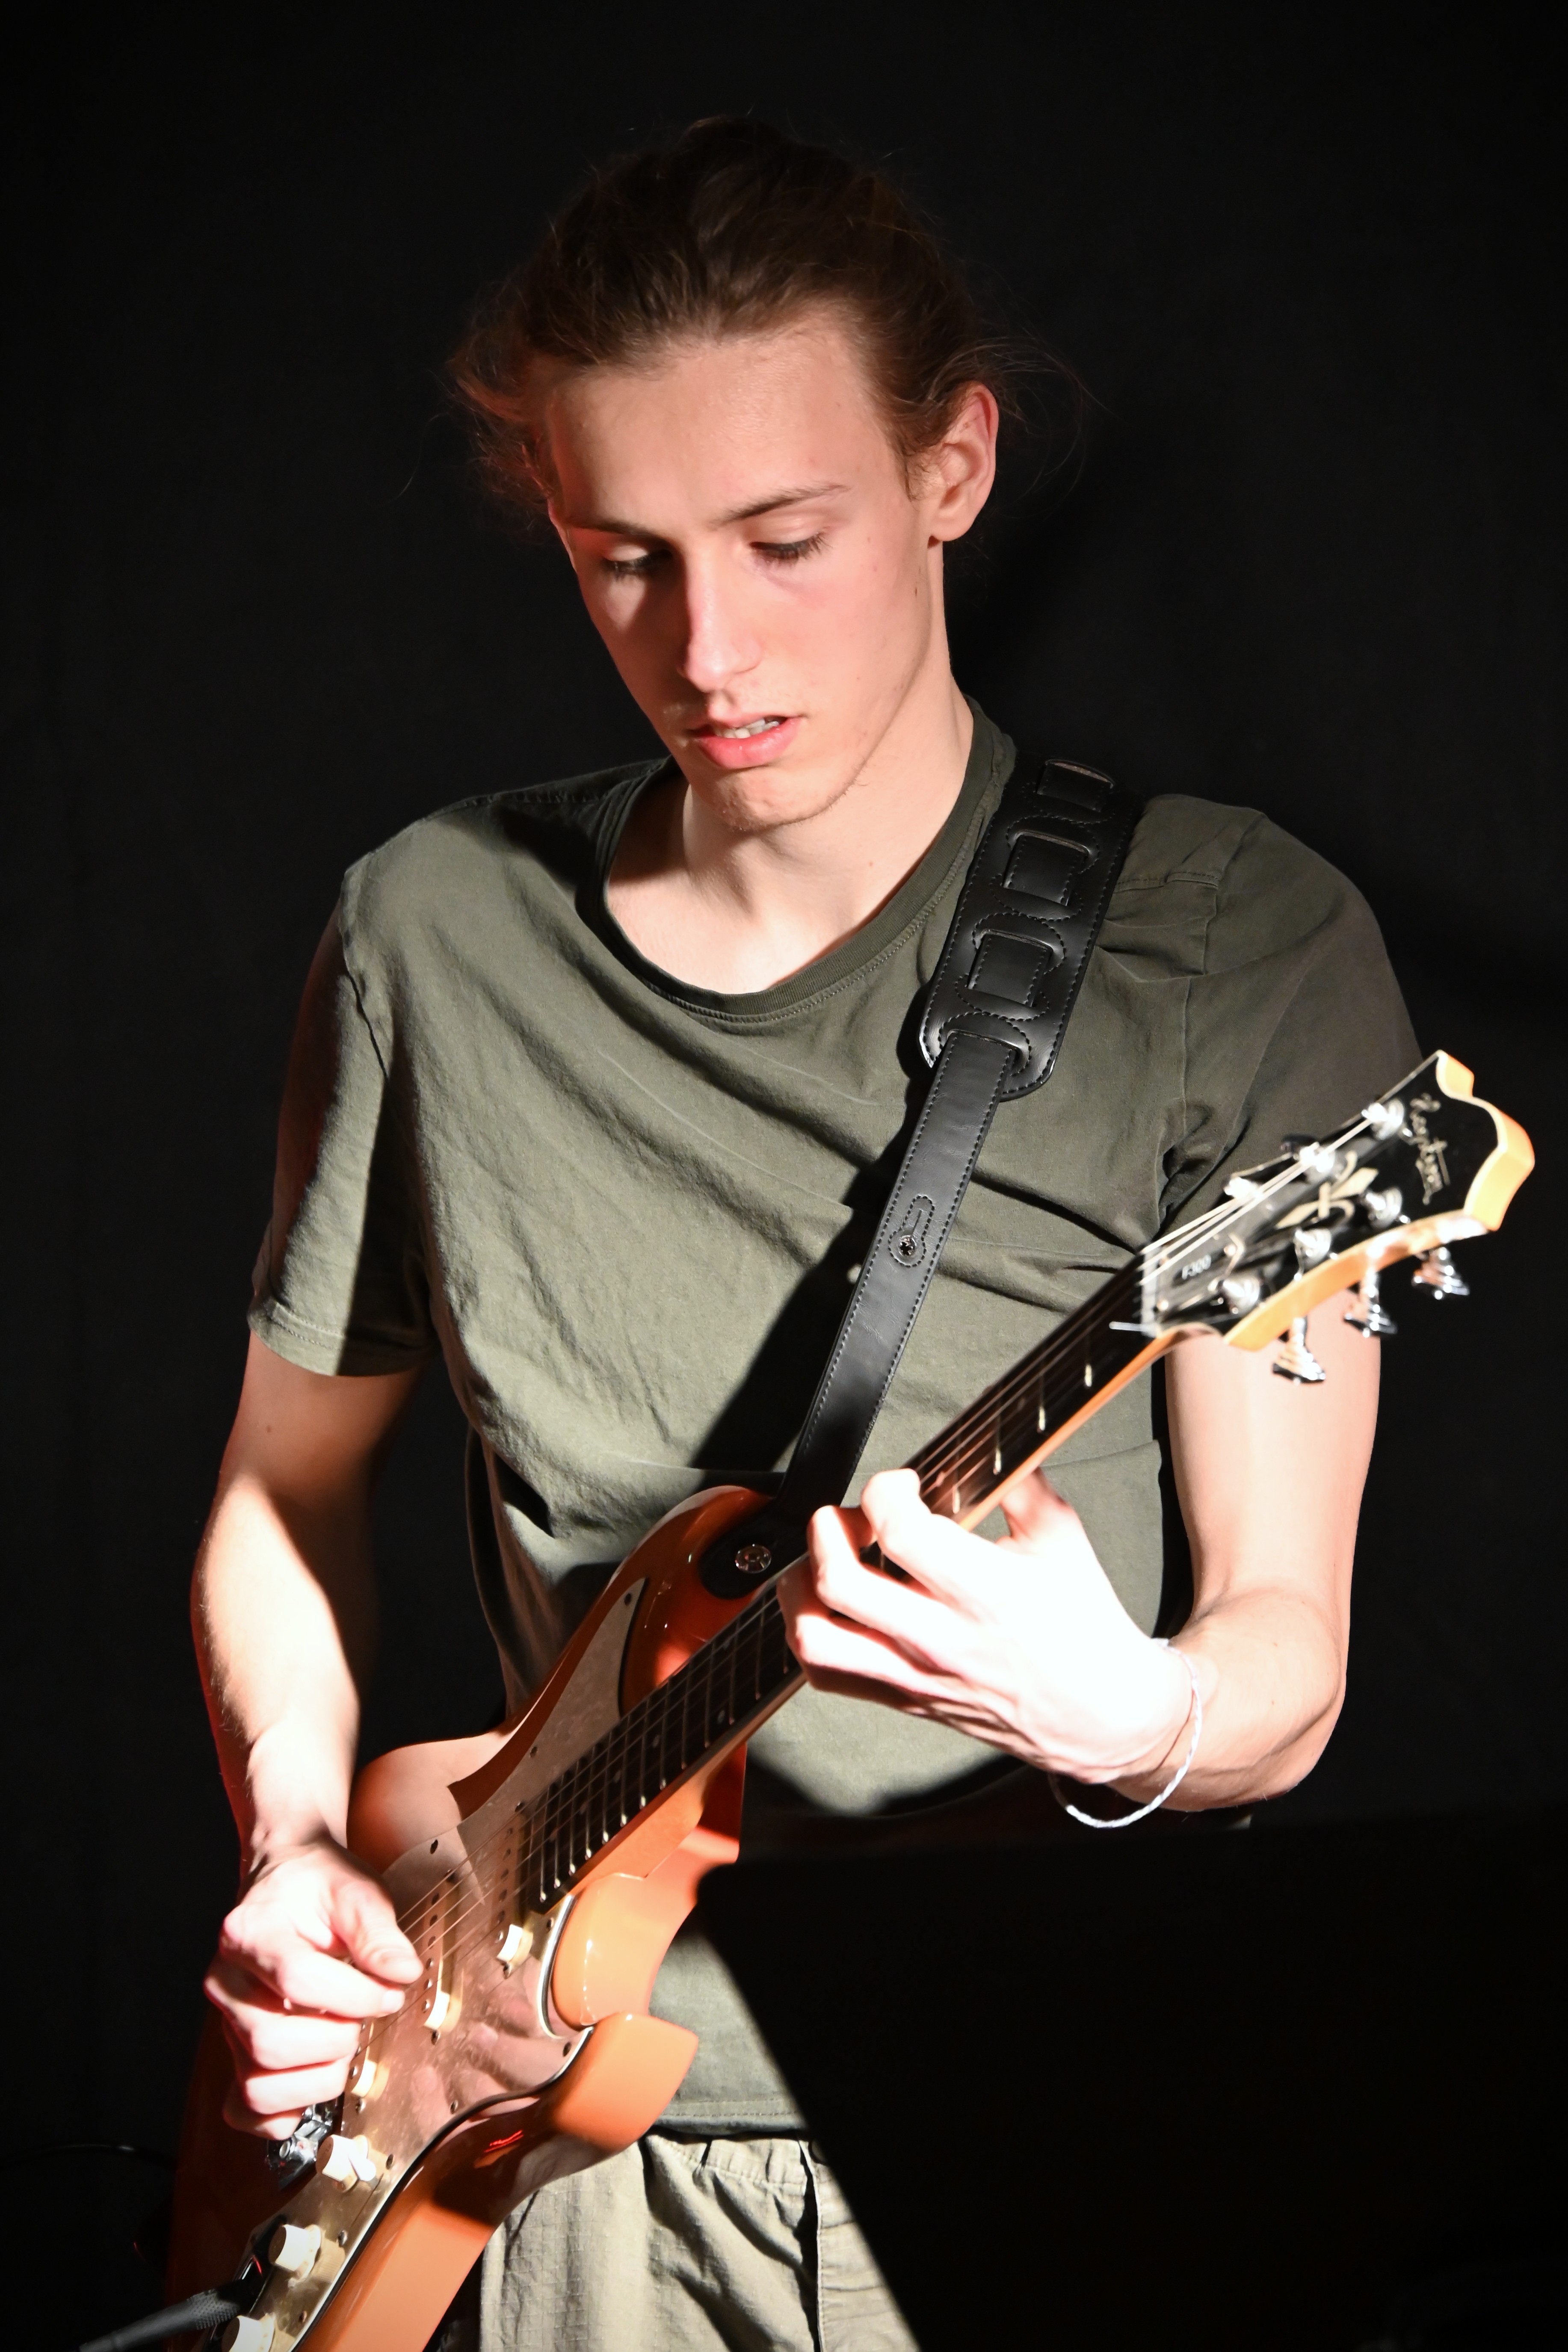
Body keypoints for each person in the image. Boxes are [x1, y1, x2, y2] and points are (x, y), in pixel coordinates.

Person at [193, 118, 1415, 2349]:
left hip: (1019, 2128)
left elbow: (1284, 1667)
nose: (708, 645)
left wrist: (1125, 1710)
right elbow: (282, 1488)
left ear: (953, 466)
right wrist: (294, 1853)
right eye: (622, 559)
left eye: (784, 539)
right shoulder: (430, 934)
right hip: (533, 2138)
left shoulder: (1230, 942)